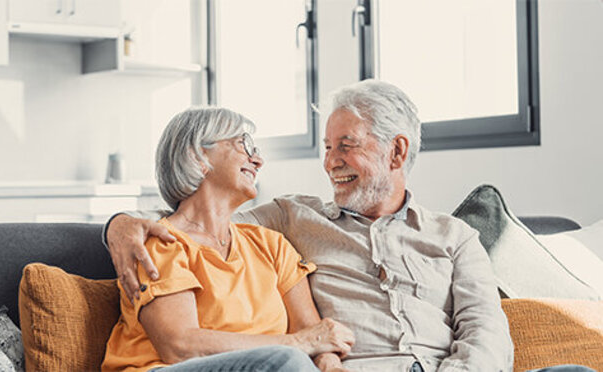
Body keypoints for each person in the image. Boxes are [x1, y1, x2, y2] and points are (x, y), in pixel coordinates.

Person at [104, 80, 514, 371]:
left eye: (346, 146)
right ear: (199, 156)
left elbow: (486, 334)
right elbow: (192, 228)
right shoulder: (292, 219)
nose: (330, 161)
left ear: (397, 151)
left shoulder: (455, 237)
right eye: (327, 147)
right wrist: (118, 223)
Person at [101, 107, 355, 372]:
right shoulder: (163, 243)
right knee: (287, 360)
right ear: (198, 156)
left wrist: (330, 365)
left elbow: (315, 337)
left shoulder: (272, 246)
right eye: (243, 144)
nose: (257, 161)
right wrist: (296, 344)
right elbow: (179, 345)